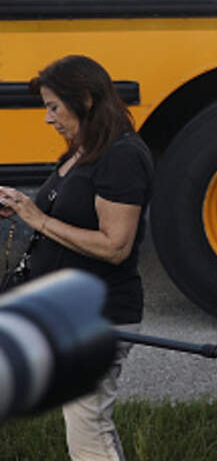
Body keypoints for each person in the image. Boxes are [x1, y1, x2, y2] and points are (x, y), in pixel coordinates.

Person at [0, 55, 153, 461]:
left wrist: (37, 219)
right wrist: (19, 205)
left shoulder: (121, 157)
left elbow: (115, 246)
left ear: (84, 99)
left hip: (98, 314)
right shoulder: (83, 152)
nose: (48, 118)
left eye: (54, 107)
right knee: (87, 427)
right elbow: (67, 214)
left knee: (88, 431)